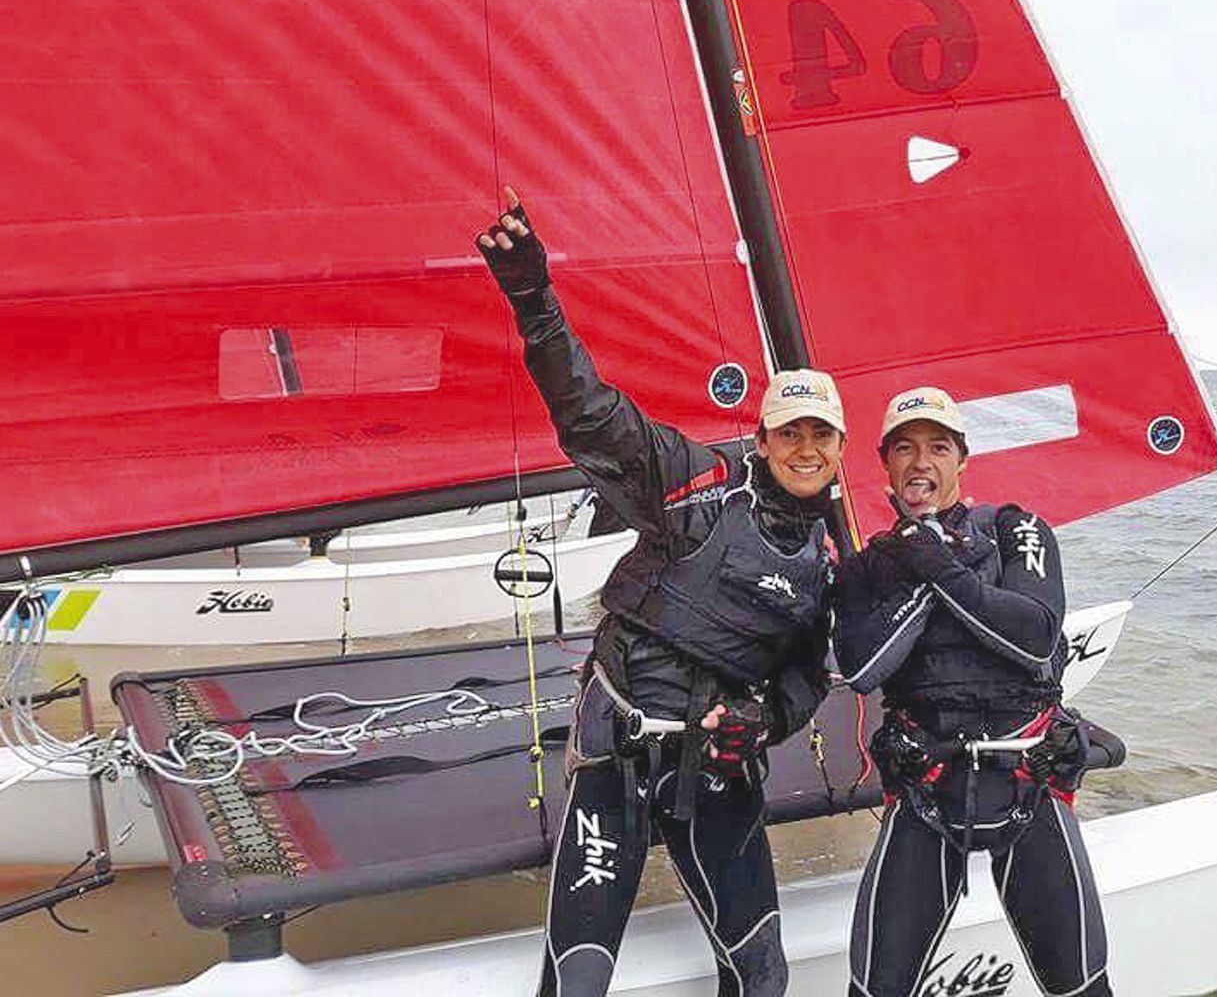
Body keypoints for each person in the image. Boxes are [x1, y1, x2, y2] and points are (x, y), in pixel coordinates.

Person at [476, 188, 843, 997]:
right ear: (762, 439)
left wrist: (764, 722)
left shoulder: (827, 561)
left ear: (840, 449)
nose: (805, 448)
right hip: (617, 755)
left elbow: (807, 675)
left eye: (821, 436)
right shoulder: (695, 484)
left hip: (716, 770)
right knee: (575, 981)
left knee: (761, 977)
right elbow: (590, 414)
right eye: (790, 433)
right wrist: (533, 297)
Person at [834, 387, 1119, 997]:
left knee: (1085, 988)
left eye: (939, 447)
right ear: (885, 463)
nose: (921, 462)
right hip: (927, 793)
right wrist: (919, 556)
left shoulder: (1018, 530)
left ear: (962, 460)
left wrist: (938, 564)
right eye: (905, 448)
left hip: (1028, 787)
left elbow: (1036, 639)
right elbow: (862, 668)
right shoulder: (867, 566)